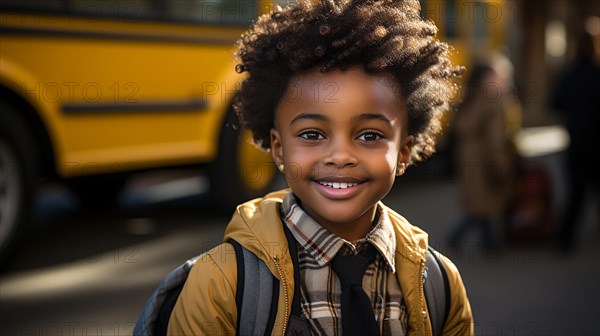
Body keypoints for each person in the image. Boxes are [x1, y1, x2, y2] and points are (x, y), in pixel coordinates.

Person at [167, 0, 473, 334]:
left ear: (404, 152)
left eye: (370, 135)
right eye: (312, 134)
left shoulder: (440, 285)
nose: (340, 156)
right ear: (279, 148)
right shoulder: (220, 285)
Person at [447, 52, 519, 249]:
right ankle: (488, 245)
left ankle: (483, 243)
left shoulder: (472, 94)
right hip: (485, 162)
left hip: (469, 158)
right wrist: (502, 166)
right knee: (485, 208)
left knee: (479, 208)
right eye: (503, 74)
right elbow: (495, 139)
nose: (506, 78)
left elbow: (460, 127)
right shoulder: (495, 99)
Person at [551, 28, 600, 253]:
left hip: (575, 145)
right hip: (595, 146)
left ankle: (565, 241)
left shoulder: (569, 74)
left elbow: (556, 104)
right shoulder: (597, 74)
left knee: (575, 195)